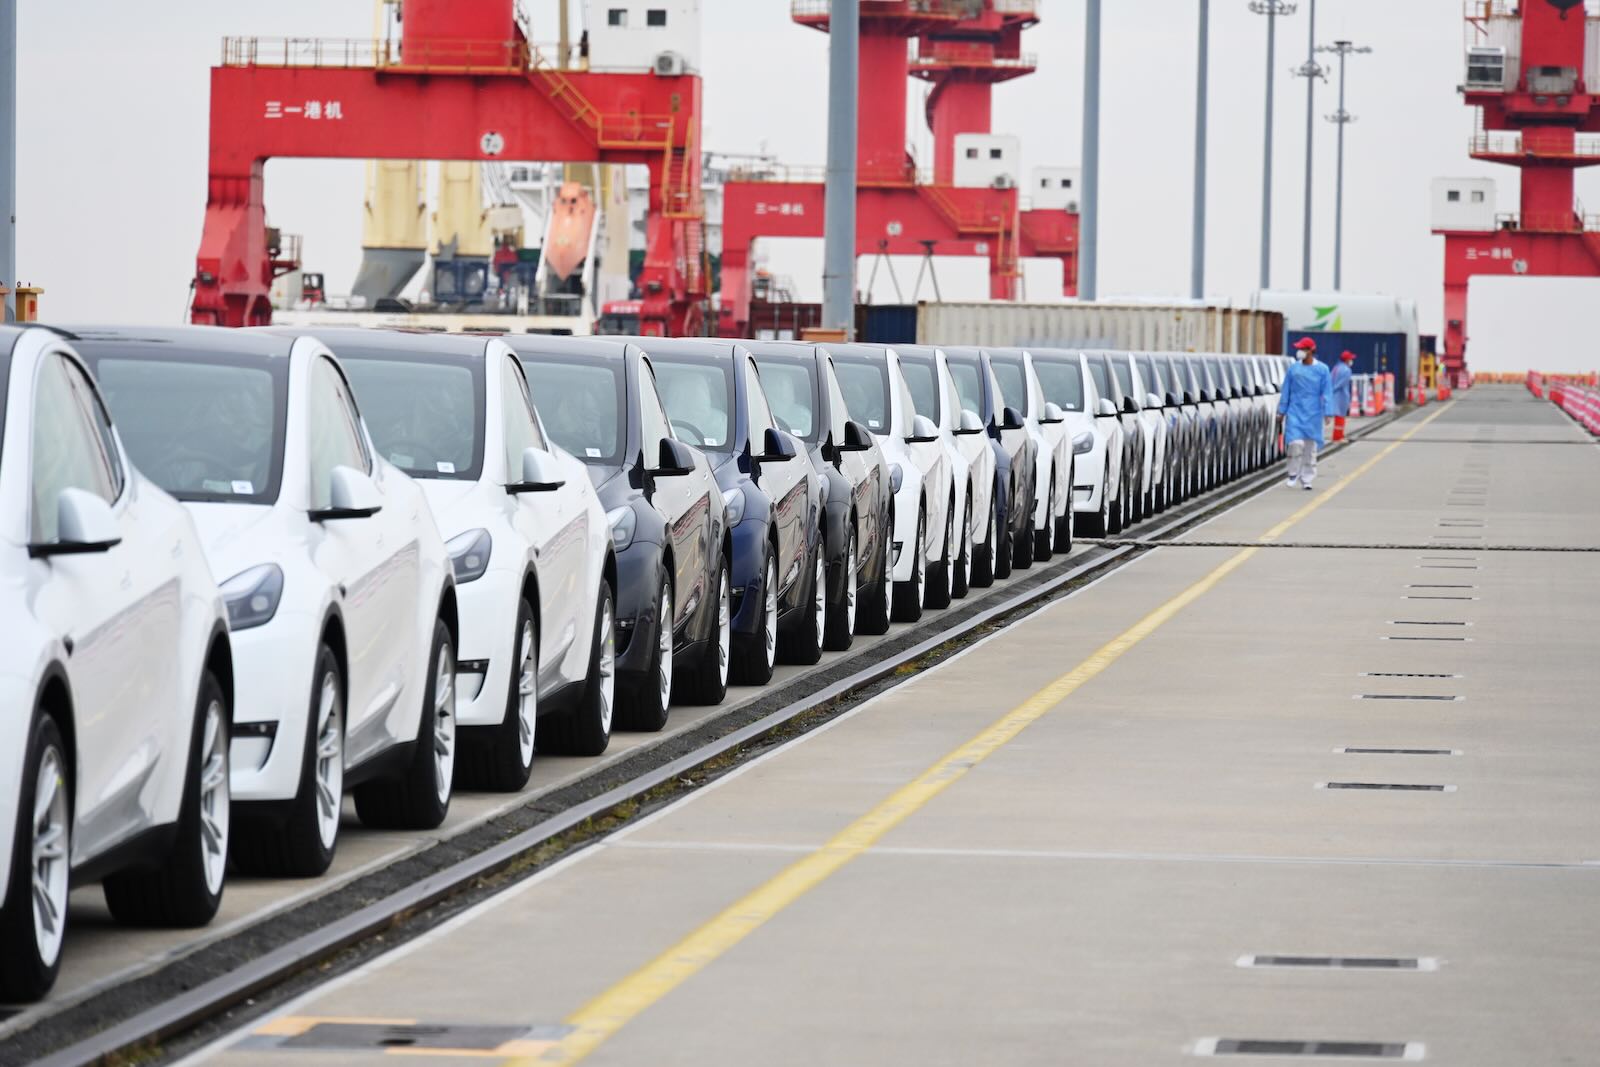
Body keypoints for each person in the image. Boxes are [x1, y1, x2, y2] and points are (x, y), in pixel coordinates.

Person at [1278, 337, 1334, 490]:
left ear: (1310, 351)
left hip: (1313, 413)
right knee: (1295, 443)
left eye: (1303, 349)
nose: (1300, 351)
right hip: (1295, 410)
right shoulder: (1293, 369)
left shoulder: (1322, 369)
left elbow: (1327, 392)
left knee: (1310, 447)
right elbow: (1286, 390)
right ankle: (1293, 473)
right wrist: (1281, 411)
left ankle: (1307, 478)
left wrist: (1328, 412)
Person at [1329, 350, 1355, 442]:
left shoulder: (1336, 368)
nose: (1351, 361)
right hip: (1342, 396)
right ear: (1347, 360)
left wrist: (1330, 390)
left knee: (1338, 416)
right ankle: (1338, 437)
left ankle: (1338, 436)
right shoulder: (1347, 370)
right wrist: (1334, 388)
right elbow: (1342, 383)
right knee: (1341, 416)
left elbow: (1330, 379)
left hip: (1335, 395)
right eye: (1351, 359)